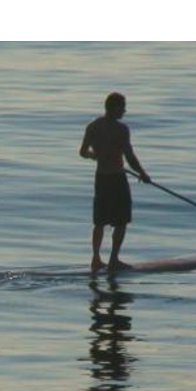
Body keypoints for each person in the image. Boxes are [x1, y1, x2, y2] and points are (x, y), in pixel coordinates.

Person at [79, 92, 151, 272]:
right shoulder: (121, 129)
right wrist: (142, 174)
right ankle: (113, 260)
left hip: (101, 178)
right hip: (117, 178)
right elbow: (130, 157)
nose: (124, 111)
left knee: (100, 222)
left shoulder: (93, 126)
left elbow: (83, 152)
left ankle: (96, 259)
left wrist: (95, 155)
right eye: (123, 107)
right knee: (120, 221)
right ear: (115, 107)